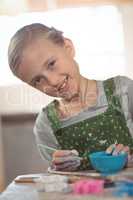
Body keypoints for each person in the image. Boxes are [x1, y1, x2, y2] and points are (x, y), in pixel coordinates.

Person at [8, 23, 133, 171]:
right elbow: (55, 182)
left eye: (51, 64)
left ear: (68, 48)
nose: (53, 81)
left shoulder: (123, 90)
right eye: (38, 80)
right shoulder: (46, 124)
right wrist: (57, 168)